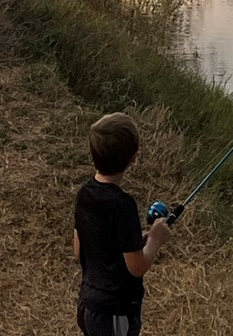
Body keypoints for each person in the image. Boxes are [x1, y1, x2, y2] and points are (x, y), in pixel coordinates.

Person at [74, 112, 172, 336]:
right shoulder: (123, 205)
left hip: (88, 306)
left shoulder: (84, 195)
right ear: (133, 157)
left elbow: (80, 252)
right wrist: (155, 239)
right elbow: (137, 267)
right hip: (114, 313)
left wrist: (136, 242)